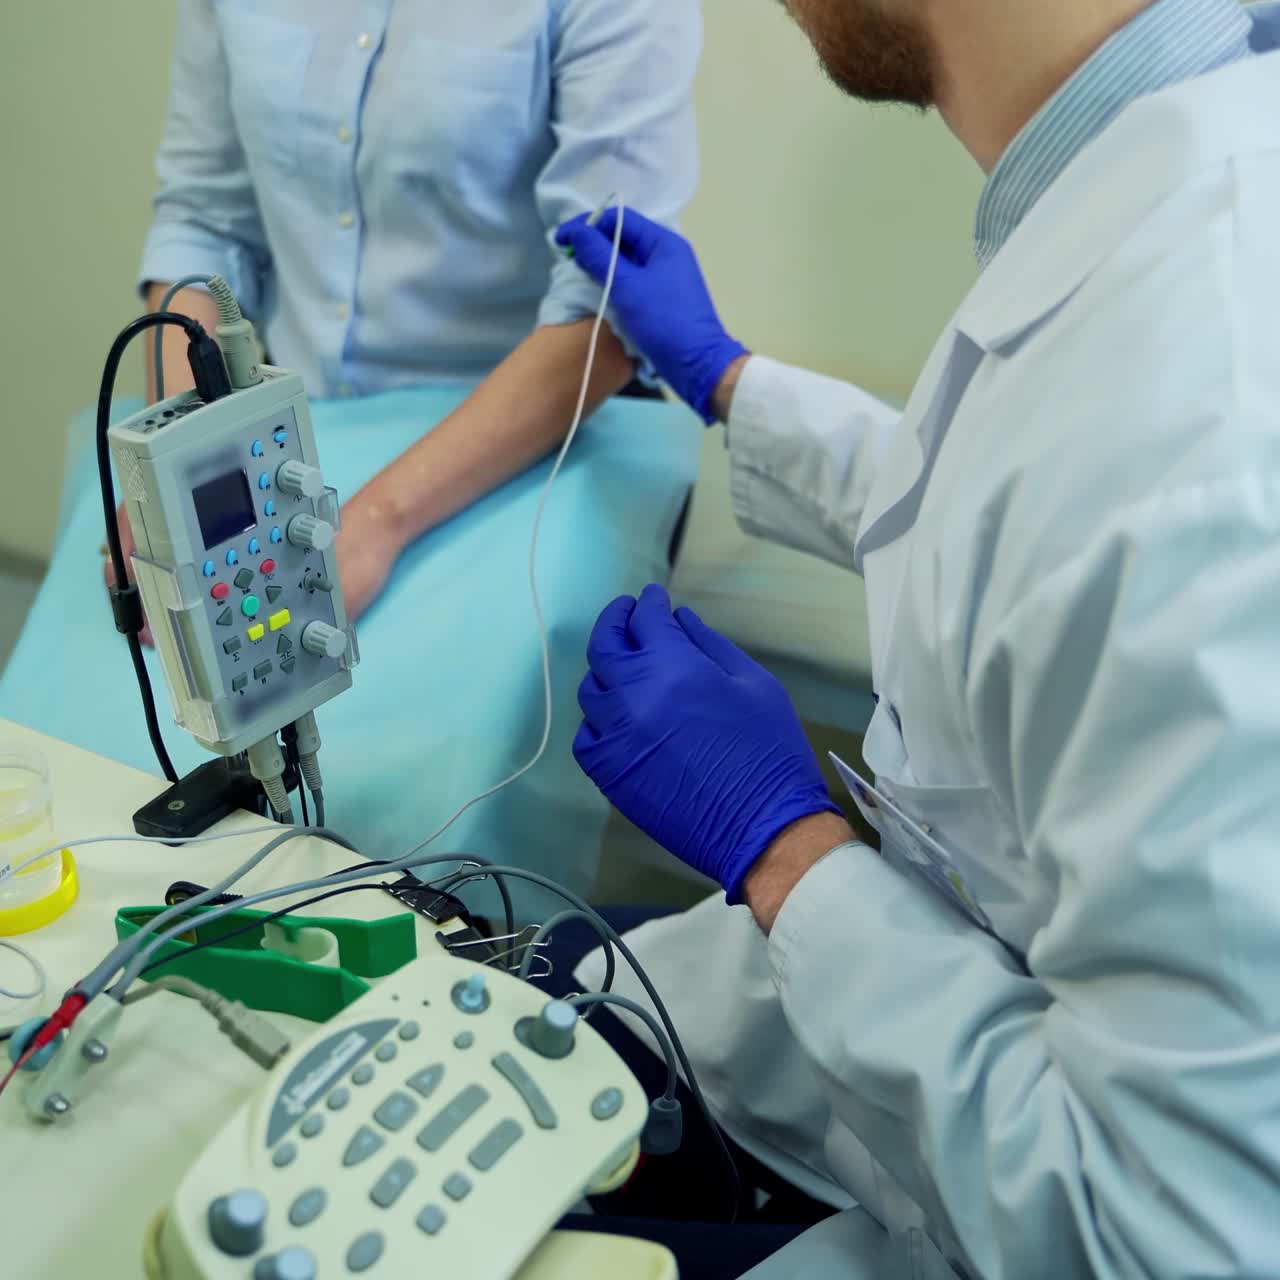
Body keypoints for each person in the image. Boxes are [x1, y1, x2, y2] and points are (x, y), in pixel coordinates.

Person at [553, 0, 1280, 1275]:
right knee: (549, 969)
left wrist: (781, 849)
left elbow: (1165, 1236)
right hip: (917, 1038)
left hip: (1027, 1201)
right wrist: (726, 379)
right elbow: (1038, 517)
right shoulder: (1152, 177)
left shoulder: (1206, 396)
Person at [109, 0, 700, 622]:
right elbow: (203, 224)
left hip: (532, 444)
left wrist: (374, 524)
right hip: (293, 437)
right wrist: (181, 478)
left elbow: (609, 296)